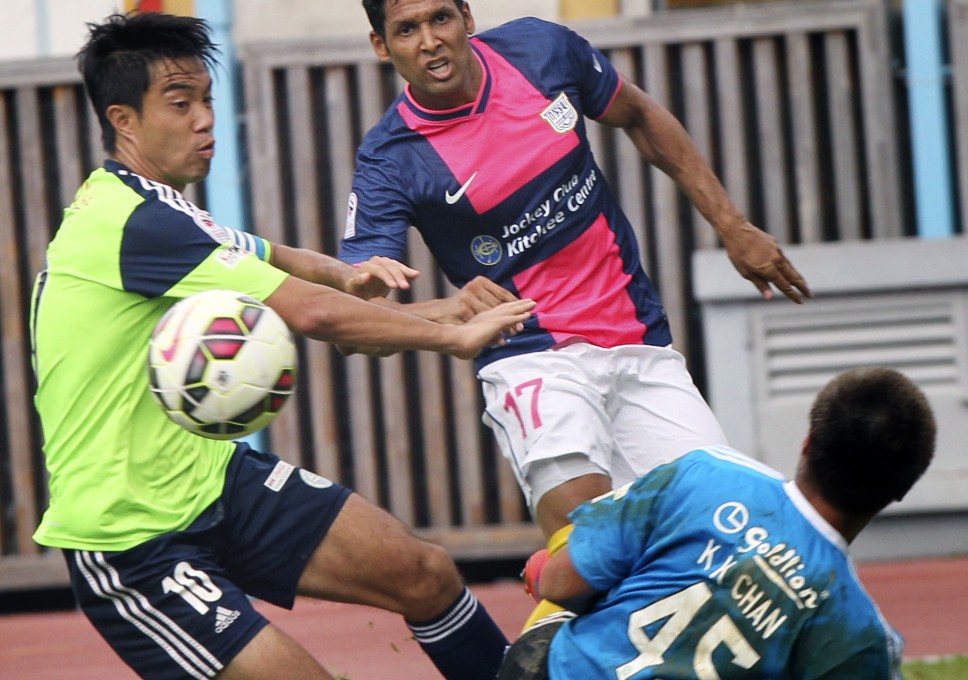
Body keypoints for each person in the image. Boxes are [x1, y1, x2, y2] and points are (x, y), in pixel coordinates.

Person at [30, 12, 536, 680]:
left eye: (207, 100)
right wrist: (450, 334)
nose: (205, 119)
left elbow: (279, 259)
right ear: (124, 120)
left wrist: (373, 281)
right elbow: (314, 315)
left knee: (423, 573)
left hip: (215, 483)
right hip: (133, 539)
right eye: (180, 106)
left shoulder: (164, 208)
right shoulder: (131, 223)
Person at [341, 0, 813, 546]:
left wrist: (732, 225)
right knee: (590, 538)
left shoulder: (541, 51)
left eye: (440, 18)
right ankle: (560, 616)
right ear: (382, 45)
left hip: (640, 344)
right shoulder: (388, 159)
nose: (429, 41)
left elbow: (637, 113)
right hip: (531, 360)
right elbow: (357, 329)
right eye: (406, 29)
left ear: (468, 17)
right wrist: (448, 312)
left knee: (722, 532)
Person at [498, 366, 937, 679]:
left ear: (808, 441)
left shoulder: (705, 473)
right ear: (900, 490)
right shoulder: (859, 633)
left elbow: (559, 584)